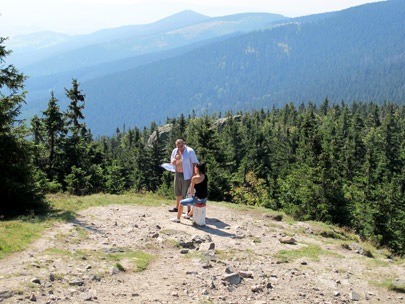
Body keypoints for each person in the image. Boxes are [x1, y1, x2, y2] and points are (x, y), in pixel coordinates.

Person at [168, 139, 198, 213]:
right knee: (178, 190)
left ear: (184, 144)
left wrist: (193, 175)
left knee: (187, 192)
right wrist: (173, 162)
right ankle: (177, 207)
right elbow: (171, 160)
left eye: (180, 146)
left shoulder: (190, 151)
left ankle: (188, 210)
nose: (179, 148)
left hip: (187, 174)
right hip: (178, 173)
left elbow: (195, 163)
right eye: (177, 146)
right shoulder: (175, 151)